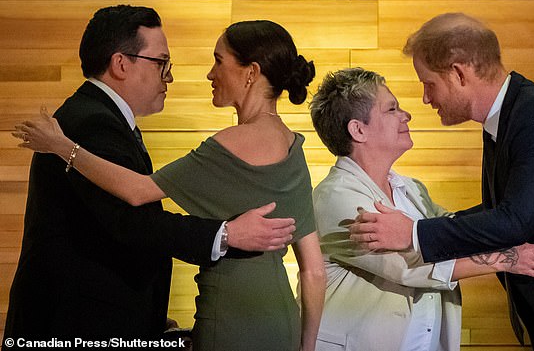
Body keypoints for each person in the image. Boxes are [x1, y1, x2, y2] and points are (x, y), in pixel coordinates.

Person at [15, 19, 326, 351]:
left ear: (250, 72)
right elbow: (314, 272)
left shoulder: (228, 144)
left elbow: (137, 192)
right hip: (283, 322)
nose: (210, 73)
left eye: (218, 61)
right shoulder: (294, 146)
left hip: (230, 317)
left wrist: (64, 147)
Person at [349, 13, 534, 351]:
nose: (426, 98)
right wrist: (427, 225)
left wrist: (412, 233)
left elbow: (514, 220)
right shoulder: (511, 115)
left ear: (458, 73)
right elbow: (507, 208)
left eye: (429, 84)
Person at [309, 67, 534, 351]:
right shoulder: (335, 197)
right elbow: (408, 265)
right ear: (358, 129)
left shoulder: (412, 189)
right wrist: (506, 259)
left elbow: (455, 234)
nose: (406, 115)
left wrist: (519, 207)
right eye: (392, 109)